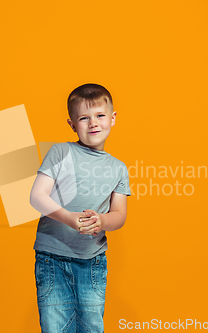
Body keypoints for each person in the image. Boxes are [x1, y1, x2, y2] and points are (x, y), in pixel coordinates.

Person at [29, 83, 131, 333]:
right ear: (72, 124)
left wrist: (102, 221)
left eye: (100, 116)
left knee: (91, 326)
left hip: (92, 261)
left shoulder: (118, 168)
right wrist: (69, 218)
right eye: (84, 118)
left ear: (113, 118)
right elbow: (36, 196)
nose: (93, 123)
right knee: (55, 327)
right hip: (52, 258)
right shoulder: (61, 152)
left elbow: (119, 215)